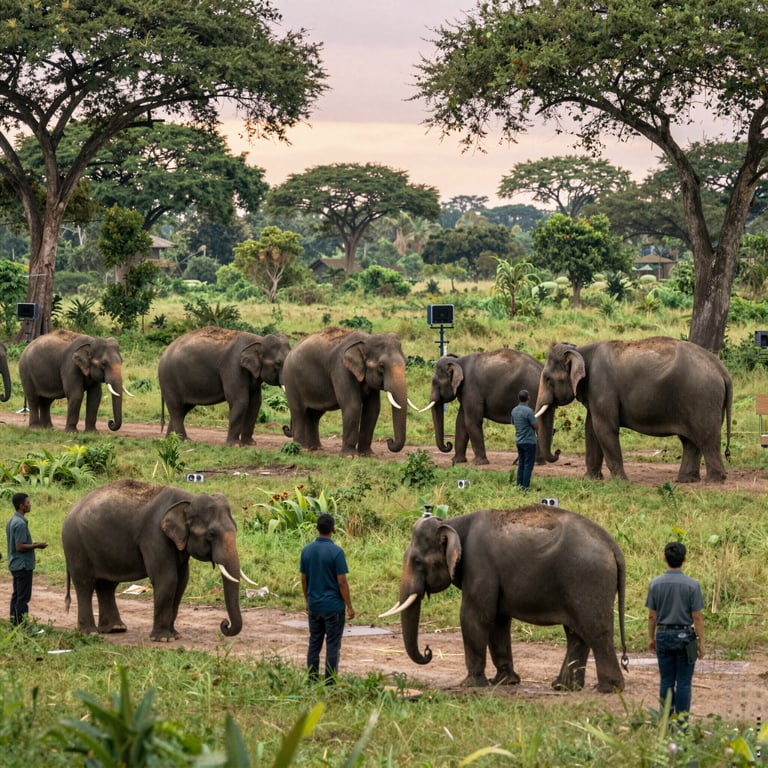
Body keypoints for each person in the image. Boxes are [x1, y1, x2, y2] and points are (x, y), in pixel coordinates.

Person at [645, 542, 705, 717]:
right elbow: (697, 617)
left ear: (665, 558)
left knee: (666, 681)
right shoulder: (692, 585)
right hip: (686, 636)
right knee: (684, 682)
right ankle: (682, 723)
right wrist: (701, 642)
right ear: (684, 559)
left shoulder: (655, 584)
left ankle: (666, 720)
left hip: (663, 634)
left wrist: (651, 637)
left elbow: (652, 615)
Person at [300, 513, 355, 684]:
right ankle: (331, 681)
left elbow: (303, 579)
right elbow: (342, 582)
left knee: (314, 643)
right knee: (332, 645)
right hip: (333, 607)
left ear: (317, 528)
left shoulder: (306, 551)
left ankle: (312, 679)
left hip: (315, 605)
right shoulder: (337, 552)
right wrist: (350, 606)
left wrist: (307, 601)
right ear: (333, 529)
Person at [6, 492, 47, 627]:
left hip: (15, 564)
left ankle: (14, 623)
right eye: (28, 503)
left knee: (17, 595)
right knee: (23, 597)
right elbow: (19, 546)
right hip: (22, 565)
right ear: (21, 506)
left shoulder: (11, 521)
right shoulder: (20, 523)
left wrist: (32, 543)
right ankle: (22, 626)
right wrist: (37, 546)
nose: (30, 505)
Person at [510, 389, 538, 490]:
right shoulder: (529, 411)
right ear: (528, 398)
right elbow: (536, 426)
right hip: (529, 441)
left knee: (521, 464)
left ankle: (519, 485)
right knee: (528, 465)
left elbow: (513, 423)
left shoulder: (514, 410)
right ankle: (525, 487)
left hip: (519, 441)